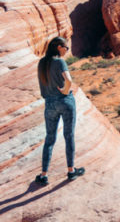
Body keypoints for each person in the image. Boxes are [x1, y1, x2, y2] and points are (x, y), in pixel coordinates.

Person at [35, 37, 84, 185]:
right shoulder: (59, 62)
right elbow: (68, 80)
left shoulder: (42, 63)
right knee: (68, 135)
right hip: (65, 102)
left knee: (50, 138)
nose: (66, 50)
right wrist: (65, 90)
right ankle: (71, 171)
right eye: (65, 48)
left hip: (49, 104)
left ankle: (44, 175)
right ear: (58, 47)